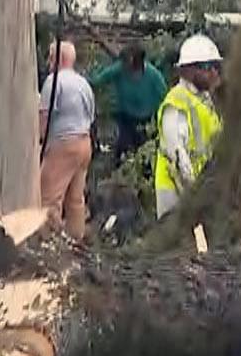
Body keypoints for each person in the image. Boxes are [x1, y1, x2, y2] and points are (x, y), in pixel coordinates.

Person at [153, 33, 223, 220]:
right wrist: (194, 198)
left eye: (216, 67)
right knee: (176, 247)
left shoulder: (205, 100)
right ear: (188, 70)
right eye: (207, 67)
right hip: (176, 194)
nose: (214, 73)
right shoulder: (177, 103)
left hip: (199, 192)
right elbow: (178, 158)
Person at [37, 40, 96, 241]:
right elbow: (91, 117)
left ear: (58, 59)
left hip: (63, 144)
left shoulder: (53, 82)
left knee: (48, 198)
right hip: (84, 144)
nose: (47, 62)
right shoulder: (83, 84)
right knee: (75, 199)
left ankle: (49, 244)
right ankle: (75, 240)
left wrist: (40, 142)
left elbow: (44, 116)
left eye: (50, 57)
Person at [91, 43, 168, 162]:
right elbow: (99, 80)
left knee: (143, 149)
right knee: (123, 146)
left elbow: (165, 98)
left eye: (126, 62)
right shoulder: (119, 69)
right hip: (125, 116)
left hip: (146, 120)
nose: (123, 64)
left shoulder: (154, 76)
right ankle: (117, 171)